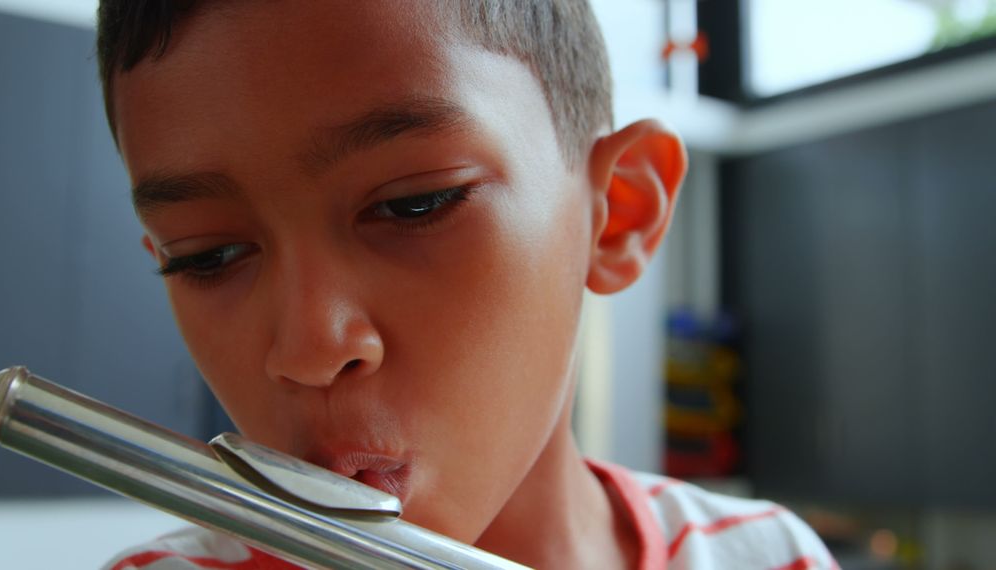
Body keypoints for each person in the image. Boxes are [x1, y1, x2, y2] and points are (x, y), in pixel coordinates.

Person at [97, 1, 836, 568]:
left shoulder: (773, 554)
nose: (310, 347)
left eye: (413, 205)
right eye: (208, 255)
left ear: (618, 217)